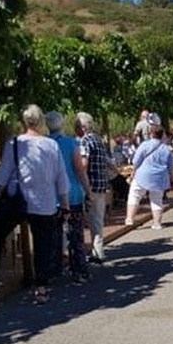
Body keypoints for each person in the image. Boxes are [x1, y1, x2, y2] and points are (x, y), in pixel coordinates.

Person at [0, 105, 70, 304]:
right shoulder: (50, 145)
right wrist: (64, 204)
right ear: (41, 122)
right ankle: (41, 288)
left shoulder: (13, 143)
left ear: (24, 122)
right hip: (44, 202)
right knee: (42, 244)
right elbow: (60, 177)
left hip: (17, 201)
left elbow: (3, 174)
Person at [47, 111, 92, 284]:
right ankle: (79, 271)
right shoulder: (71, 143)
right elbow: (80, 171)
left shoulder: (45, 145)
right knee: (76, 234)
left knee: (54, 235)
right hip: (73, 194)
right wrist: (88, 191)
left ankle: (54, 269)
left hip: (52, 197)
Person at [125, 113, 173, 230]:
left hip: (142, 176)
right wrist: (172, 178)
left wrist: (133, 174)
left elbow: (136, 161)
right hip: (159, 177)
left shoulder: (144, 145)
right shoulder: (166, 149)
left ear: (151, 133)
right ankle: (157, 223)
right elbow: (171, 166)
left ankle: (130, 219)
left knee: (134, 196)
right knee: (157, 200)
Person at [74, 112, 111, 264]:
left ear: (83, 127)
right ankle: (98, 251)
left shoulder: (85, 141)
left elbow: (84, 164)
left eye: (76, 126)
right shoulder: (99, 140)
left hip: (89, 186)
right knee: (97, 221)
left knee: (84, 221)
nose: (75, 130)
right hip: (101, 185)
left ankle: (85, 254)